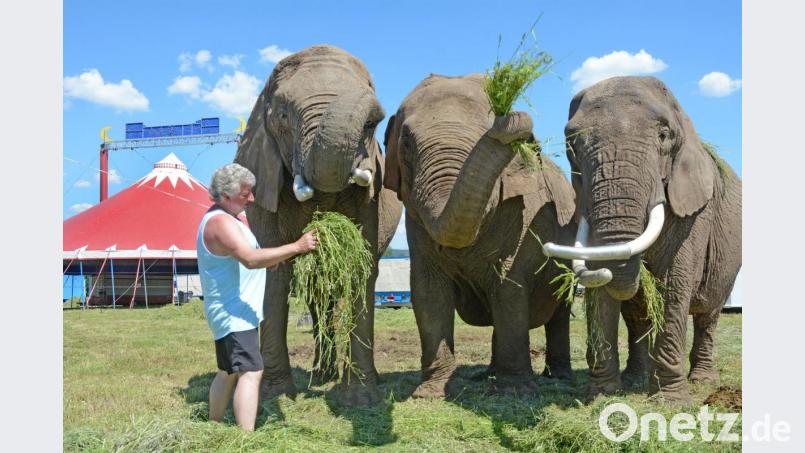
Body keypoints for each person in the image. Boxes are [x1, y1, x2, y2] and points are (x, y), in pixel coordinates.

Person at [196, 163, 318, 431]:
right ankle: (246, 437)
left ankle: (213, 426)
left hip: (234, 312)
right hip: (233, 313)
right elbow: (250, 259)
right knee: (251, 372)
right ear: (226, 195)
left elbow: (248, 257)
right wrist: (298, 247)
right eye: (245, 193)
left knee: (228, 372)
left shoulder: (229, 219)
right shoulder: (220, 224)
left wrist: (271, 259)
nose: (251, 199)